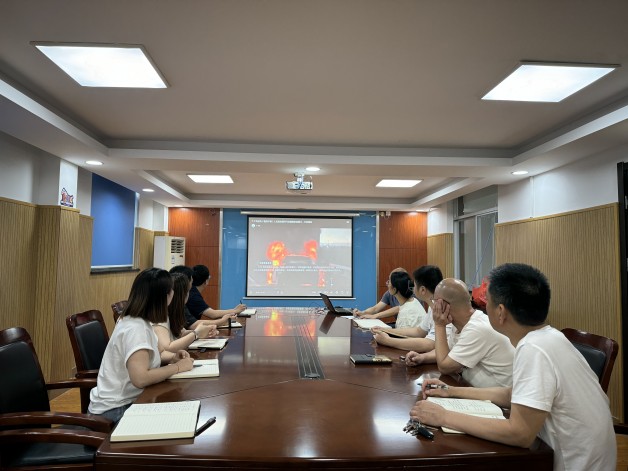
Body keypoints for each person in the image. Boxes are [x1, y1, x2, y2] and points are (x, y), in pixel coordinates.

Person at [411, 263, 616, 470]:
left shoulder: (533, 348)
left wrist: (444, 416)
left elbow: (520, 433)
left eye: (487, 301)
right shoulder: (551, 337)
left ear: (500, 312)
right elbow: (512, 394)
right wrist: (451, 391)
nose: (481, 307)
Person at [88, 268, 194, 423]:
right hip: (116, 409)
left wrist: (172, 358)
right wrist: (177, 367)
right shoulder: (136, 329)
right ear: (164, 297)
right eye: (171, 290)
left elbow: (151, 355)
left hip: (128, 401)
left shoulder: (137, 320)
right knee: (180, 419)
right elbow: (141, 378)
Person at [427, 277, 514, 388]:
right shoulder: (461, 323)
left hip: (497, 397)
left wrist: (439, 325)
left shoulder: (476, 329)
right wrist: (422, 358)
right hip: (473, 388)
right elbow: (449, 351)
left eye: (434, 302)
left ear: (443, 304)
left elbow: (444, 367)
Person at [372, 265, 450, 357]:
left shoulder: (443, 309)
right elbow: (419, 331)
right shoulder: (433, 305)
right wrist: (385, 330)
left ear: (422, 290)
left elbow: (430, 344)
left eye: (414, 285)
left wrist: (388, 341)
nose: (412, 288)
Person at [153, 272, 217, 354]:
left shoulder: (174, 312)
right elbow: (167, 349)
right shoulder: (160, 316)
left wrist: (203, 331)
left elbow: (182, 333)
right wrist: (196, 333)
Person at [170, 265, 214, 330]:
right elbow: (193, 324)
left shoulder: (178, 304)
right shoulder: (192, 295)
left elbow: (182, 332)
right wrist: (222, 321)